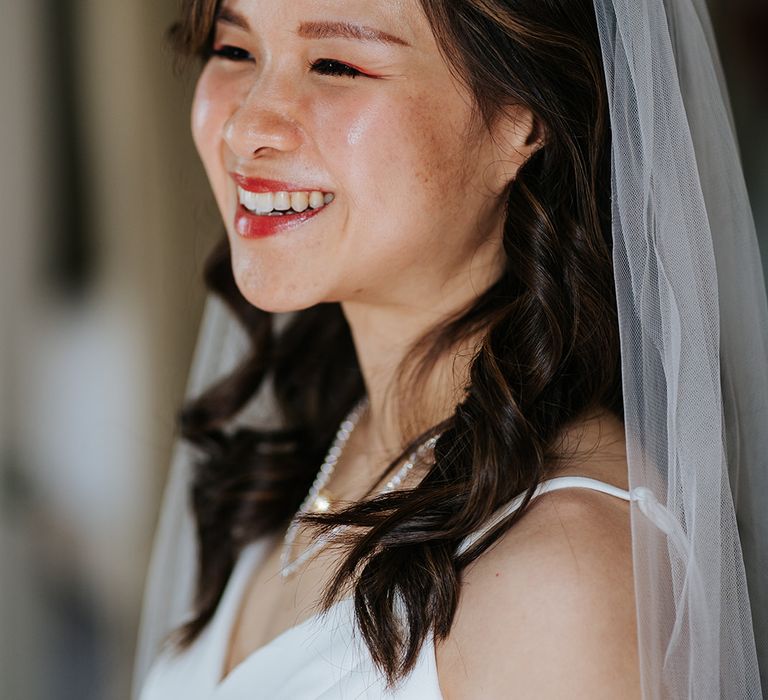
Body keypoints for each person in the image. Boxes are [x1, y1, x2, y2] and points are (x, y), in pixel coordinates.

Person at [134, 0, 768, 698]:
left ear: (521, 117)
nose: (247, 126)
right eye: (234, 52)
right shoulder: (306, 449)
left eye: (337, 64)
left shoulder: (562, 583)